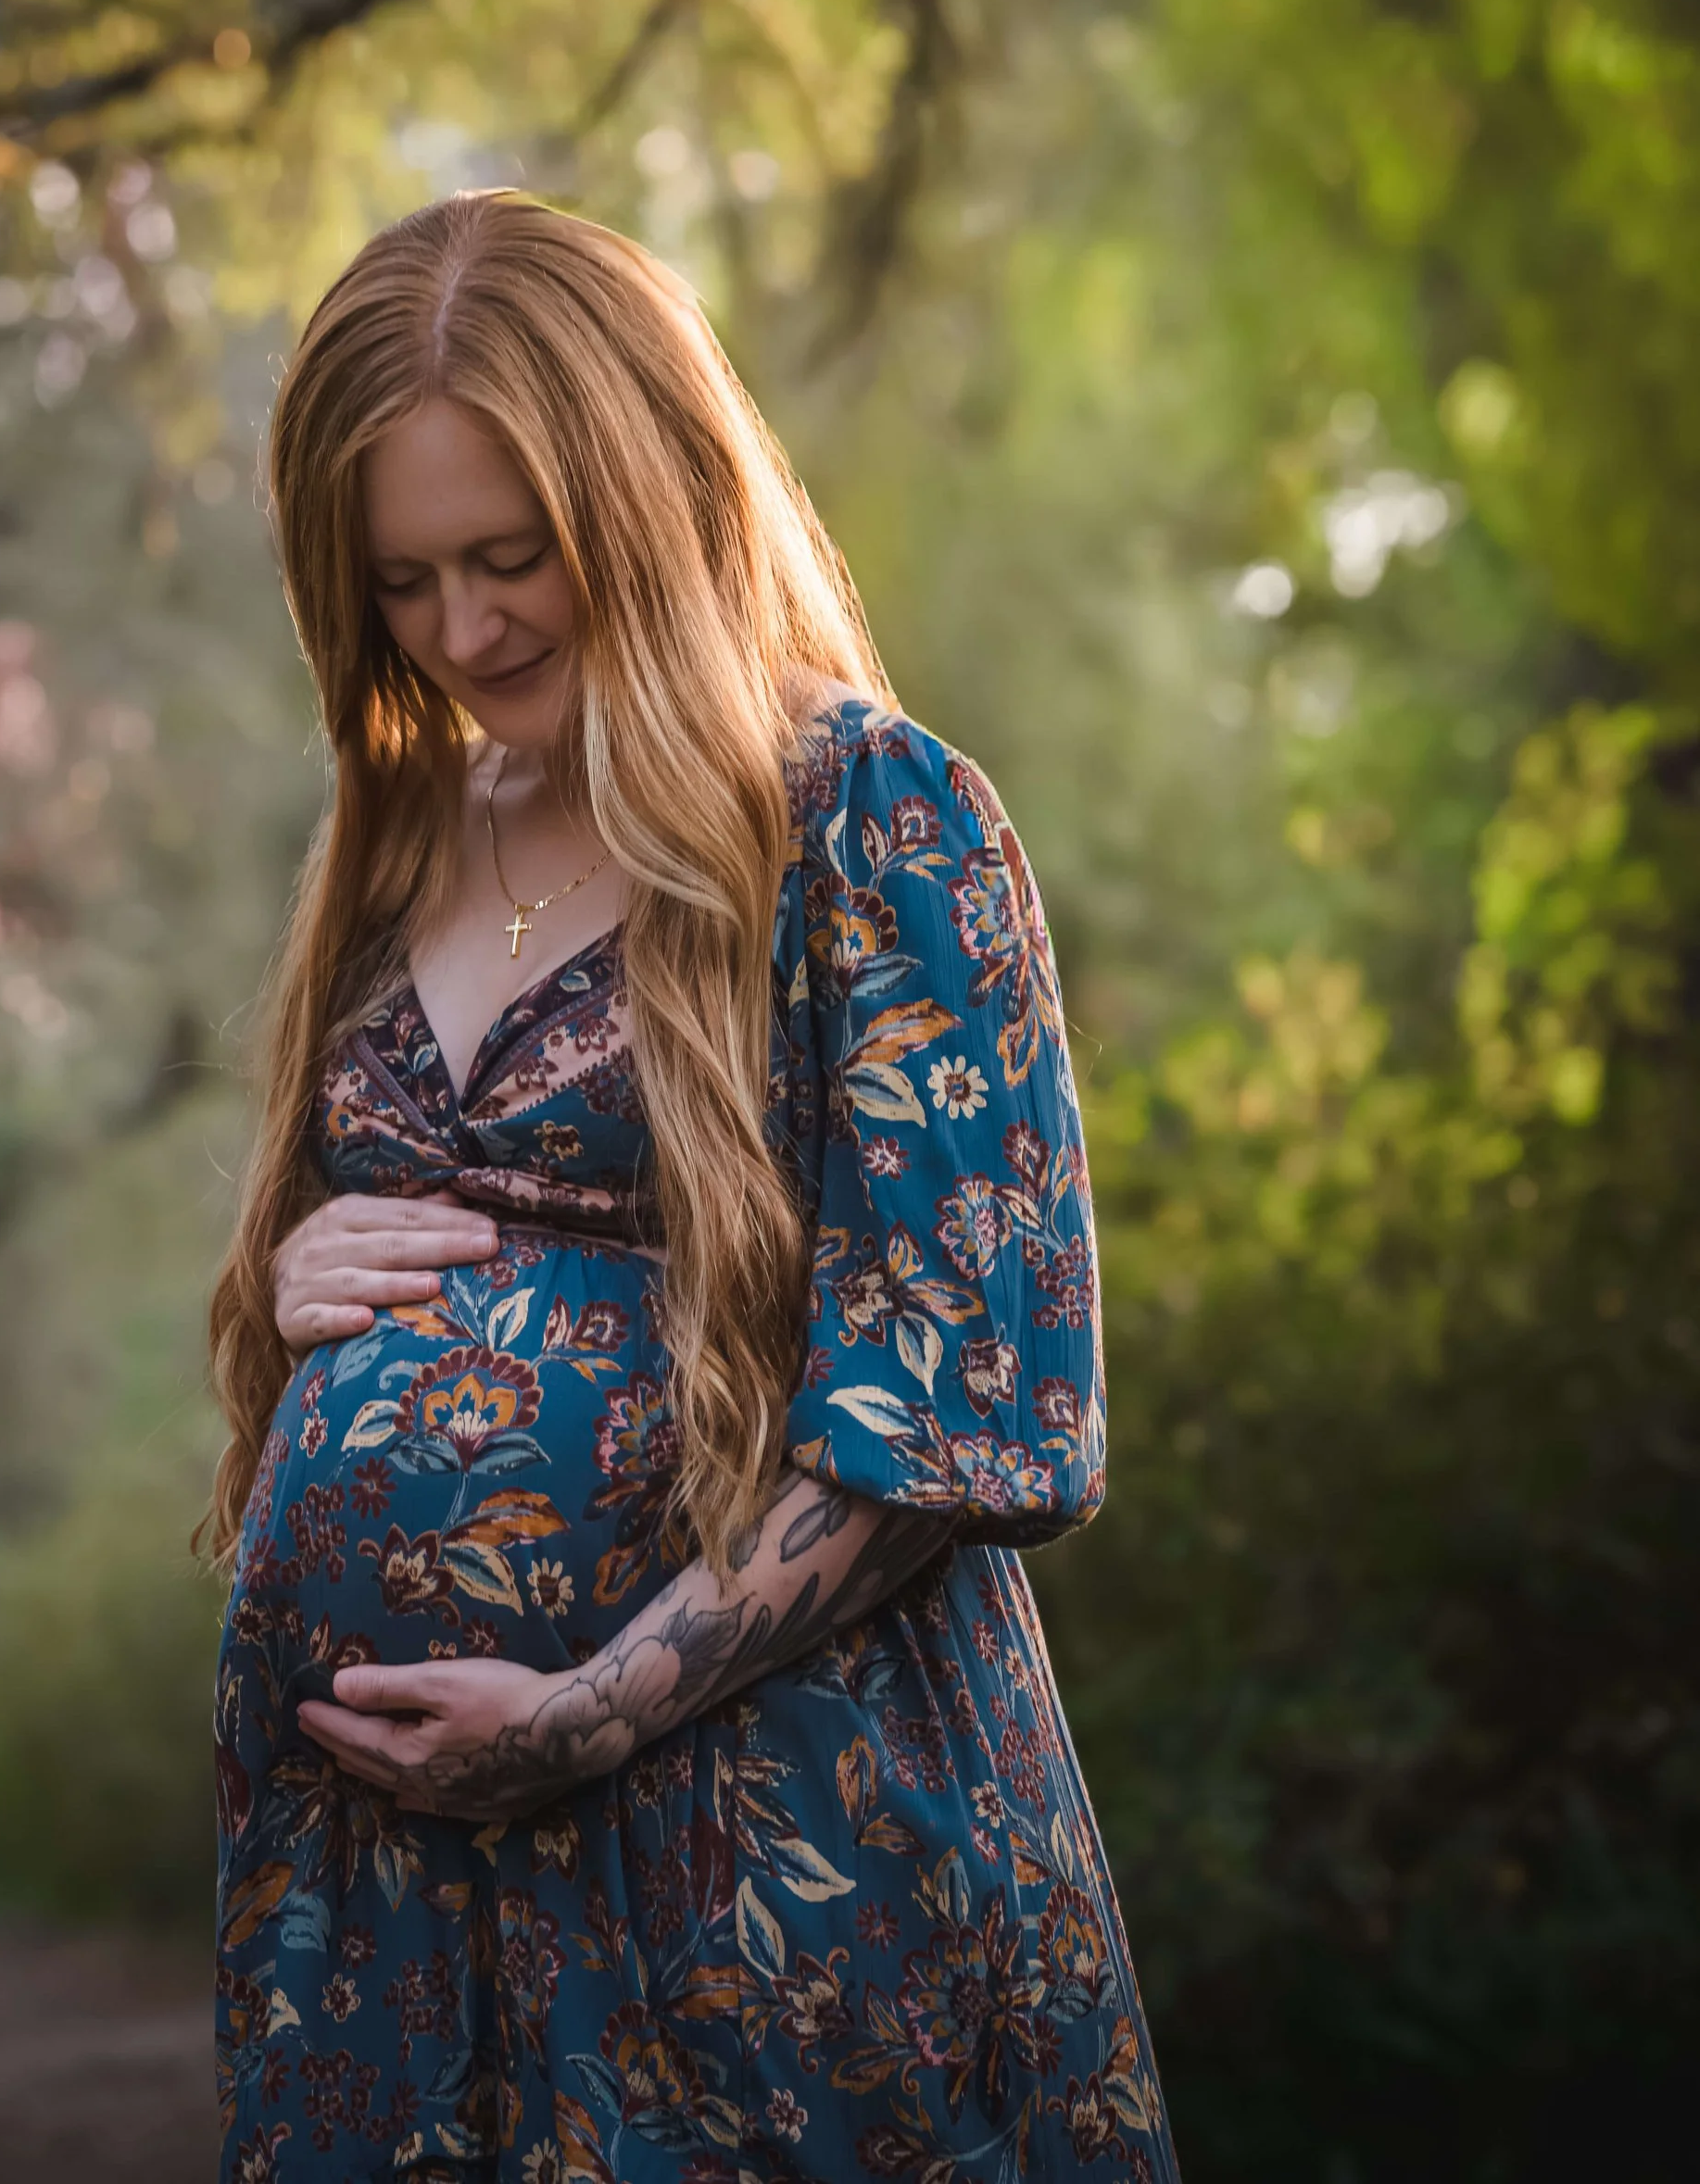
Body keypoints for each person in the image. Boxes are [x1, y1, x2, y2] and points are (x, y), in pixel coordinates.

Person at [202, 188, 1178, 2184]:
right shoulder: (393, 841)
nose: (461, 634)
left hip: (762, 1838)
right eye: (398, 583)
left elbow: (966, 1399)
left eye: (508, 556)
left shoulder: (869, 821)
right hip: (385, 1889)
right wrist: (299, 1259)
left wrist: (576, 1712)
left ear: (648, 491)